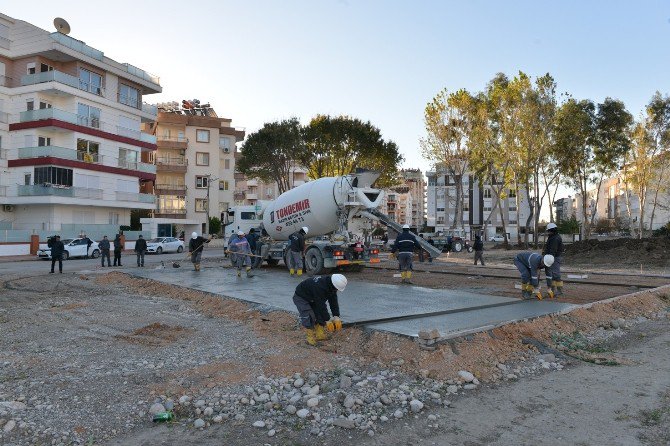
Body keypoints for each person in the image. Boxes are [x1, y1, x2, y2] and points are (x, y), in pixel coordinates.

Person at [292, 274, 348, 346]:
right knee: (309, 316)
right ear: (333, 284)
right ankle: (310, 338)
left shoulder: (331, 286)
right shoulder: (320, 287)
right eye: (336, 288)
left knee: (320, 314)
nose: (337, 290)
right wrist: (328, 320)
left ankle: (319, 334)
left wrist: (336, 316)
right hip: (301, 297)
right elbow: (321, 305)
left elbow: (333, 301)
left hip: (313, 297)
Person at [543, 222, 564, 297]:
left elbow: (553, 249)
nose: (548, 232)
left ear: (552, 230)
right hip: (551, 257)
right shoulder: (552, 236)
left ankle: (559, 291)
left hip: (554, 257)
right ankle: (552, 290)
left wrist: (549, 258)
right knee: (551, 274)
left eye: (549, 230)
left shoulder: (555, 238)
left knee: (556, 274)